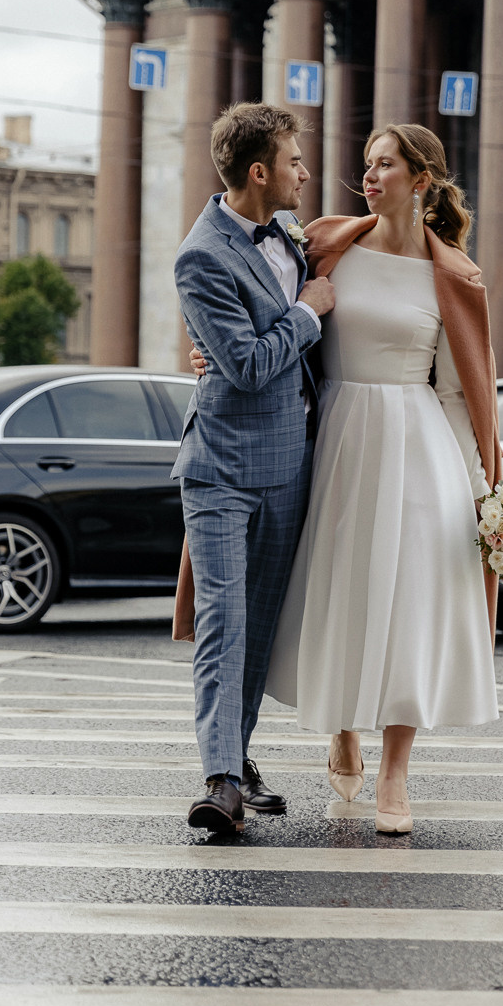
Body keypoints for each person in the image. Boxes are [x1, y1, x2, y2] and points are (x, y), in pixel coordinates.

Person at [188, 124, 501, 836]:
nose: (367, 175)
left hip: (415, 448)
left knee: (408, 604)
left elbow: (458, 390)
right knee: (336, 596)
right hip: (329, 443)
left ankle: (395, 771)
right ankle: (341, 732)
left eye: (383, 165)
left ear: (419, 180)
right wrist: (204, 348)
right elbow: (259, 315)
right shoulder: (323, 242)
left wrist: (480, 486)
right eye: (366, 164)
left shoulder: (453, 272)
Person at [171, 103, 335, 835]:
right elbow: (242, 366)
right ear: (260, 171)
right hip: (220, 467)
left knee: (260, 627)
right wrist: (306, 314)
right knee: (224, 623)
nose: (306, 172)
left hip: (289, 464)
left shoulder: (294, 238)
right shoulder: (199, 254)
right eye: (295, 160)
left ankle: (234, 761)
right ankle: (219, 782)